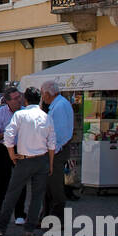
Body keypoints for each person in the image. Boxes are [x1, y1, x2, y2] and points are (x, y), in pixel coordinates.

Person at [0, 87, 56, 236]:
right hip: (42, 159)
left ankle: (1, 226)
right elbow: (52, 143)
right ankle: (29, 228)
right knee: (37, 196)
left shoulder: (20, 115)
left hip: (24, 159)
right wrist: (50, 163)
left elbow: (8, 136)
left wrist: (12, 154)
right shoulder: (46, 117)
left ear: (25, 99)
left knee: (12, 193)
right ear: (39, 99)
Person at [41, 80, 74, 218]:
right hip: (55, 150)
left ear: (48, 94)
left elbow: (59, 133)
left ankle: (57, 218)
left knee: (54, 186)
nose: (42, 97)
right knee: (49, 185)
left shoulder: (60, 106)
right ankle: (47, 216)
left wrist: (53, 152)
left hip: (57, 151)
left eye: (43, 94)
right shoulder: (59, 104)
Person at [0, 88, 21, 216]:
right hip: (4, 148)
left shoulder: (25, 112)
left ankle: (20, 213)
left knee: (21, 180)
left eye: (19, 97)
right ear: (8, 101)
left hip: (21, 148)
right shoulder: (0, 113)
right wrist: (5, 134)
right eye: (15, 98)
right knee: (3, 180)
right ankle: (3, 209)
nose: (19, 100)